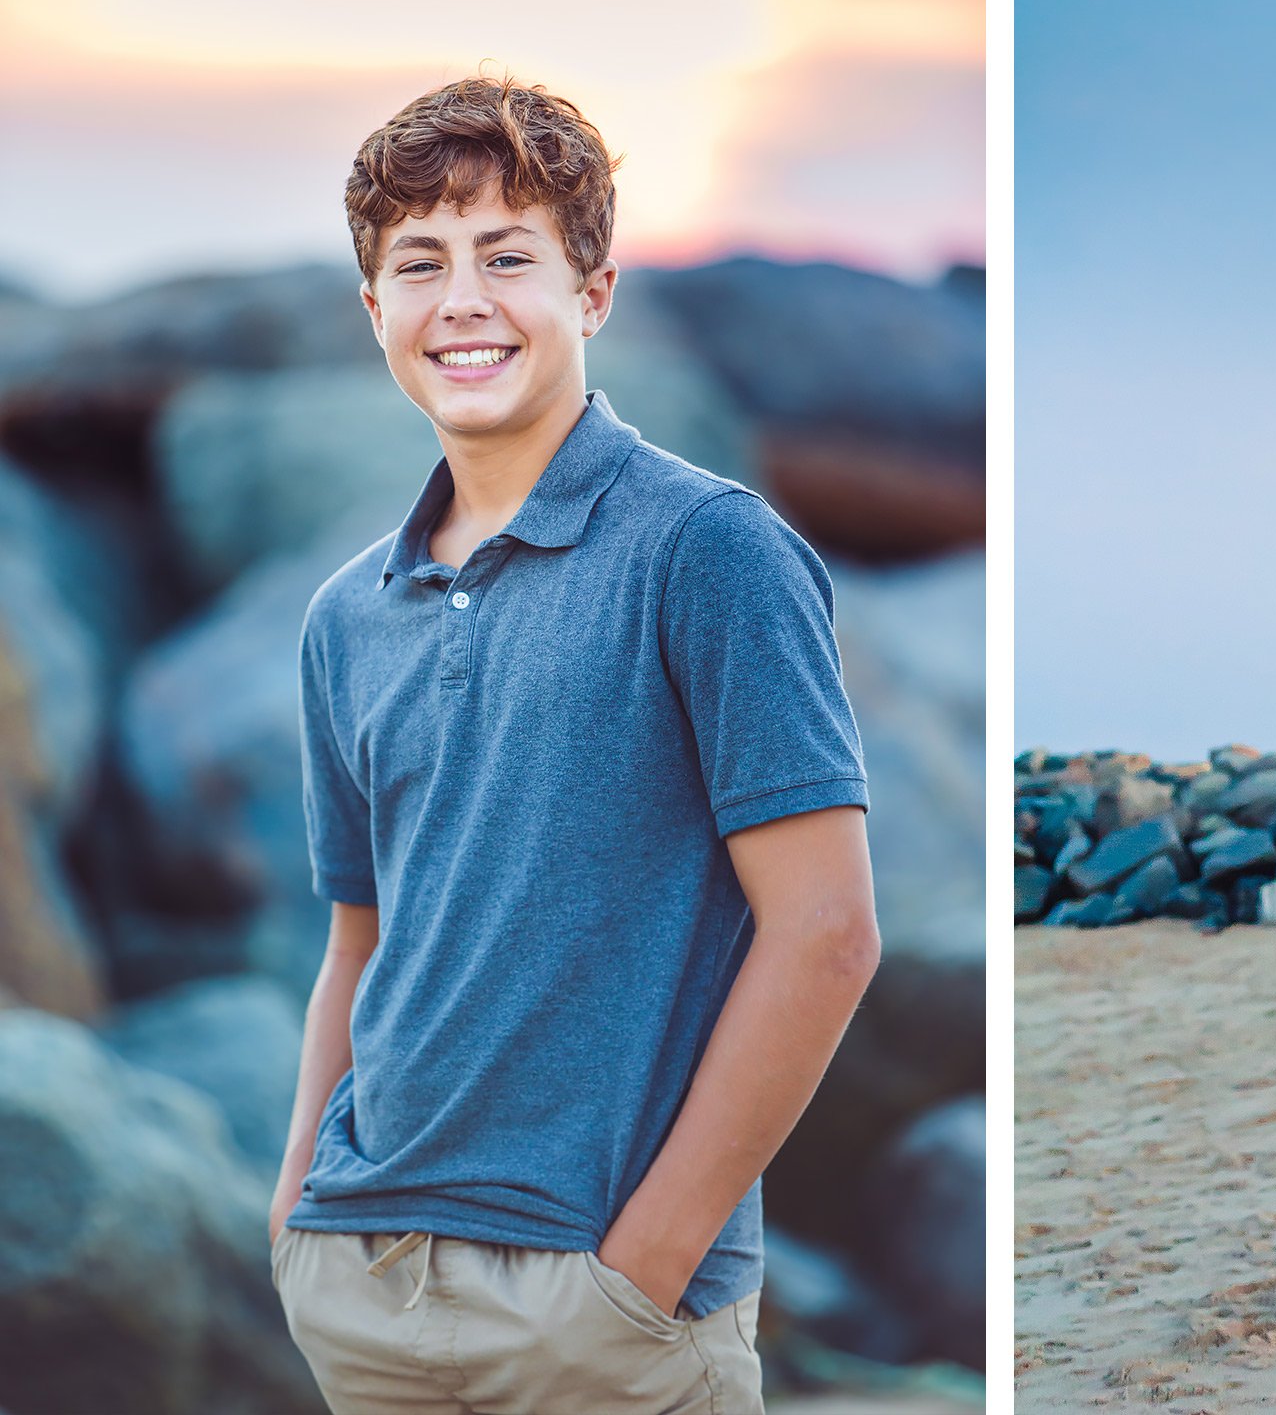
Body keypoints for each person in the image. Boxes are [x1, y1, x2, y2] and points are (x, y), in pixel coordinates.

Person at [269, 74, 877, 1414]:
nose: (463, 300)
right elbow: (359, 945)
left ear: (592, 292)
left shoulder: (705, 550)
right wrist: (298, 1217)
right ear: (377, 312)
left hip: (599, 1313)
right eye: (420, 264)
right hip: (364, 1287)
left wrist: (640, 1272)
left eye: (508, 256)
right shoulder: (343, 619)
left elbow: (827, 931)